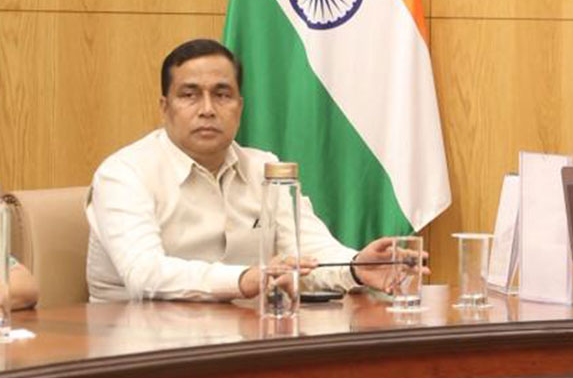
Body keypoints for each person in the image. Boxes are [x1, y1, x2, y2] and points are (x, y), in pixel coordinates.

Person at [86, 39, 405, 303]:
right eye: (189, 95)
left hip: (242, 334)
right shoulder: (124, 173)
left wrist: (354, 267)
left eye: (222, 95)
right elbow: (145, 275)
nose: (207, 109)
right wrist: (244, 278)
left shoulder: (264, 168)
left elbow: (308, 250)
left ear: (240, 106)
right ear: (164, 107)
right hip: (136, 344)